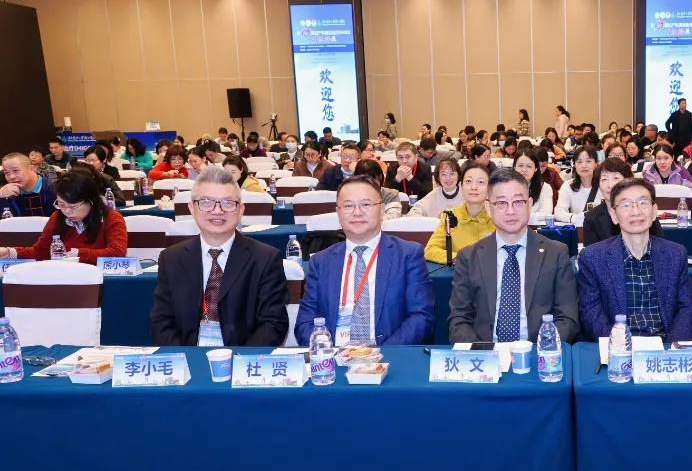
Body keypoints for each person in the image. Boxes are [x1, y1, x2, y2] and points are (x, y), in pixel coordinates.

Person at [150, 166, 290, 346]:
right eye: (206, 202)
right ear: (192, 208)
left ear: (241, 210)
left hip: (242, 359)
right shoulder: (171, 258)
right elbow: (162, 322)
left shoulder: (265, 258)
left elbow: (273, 324)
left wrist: (237, 359)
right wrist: (186, 358)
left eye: (227, 203)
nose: (217, 210)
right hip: (188, 358)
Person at [294, 174, 433, 347]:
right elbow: (304, 323)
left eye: (366, 204)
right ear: (338, 212)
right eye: (348, 206)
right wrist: (328, 352)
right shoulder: (321, 262)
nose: (357, 212)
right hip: (334, 355)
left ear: (381, 209)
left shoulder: (407, 255)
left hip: (387, 354)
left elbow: (421, 317)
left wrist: (381, 354)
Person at [447, 168, 579, 343]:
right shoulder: (469, 257)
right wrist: (485, 353)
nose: (510, 211)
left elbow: (567, 318)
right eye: (501, 203)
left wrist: (541, 350)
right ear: (488, 208)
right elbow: (459, 320)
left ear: (529, 204)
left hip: (538, 351)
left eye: (518, 202)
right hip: (486, 353)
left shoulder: (555, 253)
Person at [578, 178, 692, 343]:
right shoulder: (593, 257)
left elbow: (687, 308)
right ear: (614, 215)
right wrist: (620, 345)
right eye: (626, 205)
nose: (635, 211)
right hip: (618, 347)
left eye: (643, 203)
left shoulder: (675, 254)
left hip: (664, 346)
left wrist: (672, 348)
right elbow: (591, 313)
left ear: (654, 211)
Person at [0, 167, 126, 264]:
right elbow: (41, 251)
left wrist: (76, 254)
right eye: (61, 205)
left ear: (91, 200)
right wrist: (9, 252)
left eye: (73, 206)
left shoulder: (111, 218)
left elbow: (117, 252)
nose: (67, 211)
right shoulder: (57, 217)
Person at [583, 159, 664, 247]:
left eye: (616, 178)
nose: (610, 185)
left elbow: (660, 247)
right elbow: (591, 253)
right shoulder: (591, 218)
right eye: (604, 179)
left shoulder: (643, 212)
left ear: (628, 181)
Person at [424, 161, 493, 263]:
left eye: (481, 182)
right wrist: (462, 259)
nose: (474, 187)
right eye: (468, 181)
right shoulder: (450, 216)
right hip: (460, 271)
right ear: (461, 186)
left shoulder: (499, 215)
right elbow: (430, 250)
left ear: (490, 188)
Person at [0, 153, 57, 217]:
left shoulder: (55, 189)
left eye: (15, 170)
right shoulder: (6, 193)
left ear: (32, 169)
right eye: (6, 173)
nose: (11, 177)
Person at [511, 148, 554, 216]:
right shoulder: (505, 187)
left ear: (536, 168)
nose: (524, 170)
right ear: (514, 167)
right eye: (520, 166)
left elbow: (546, 214)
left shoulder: (545, 188)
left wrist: (522, 215)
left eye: (529, 166)